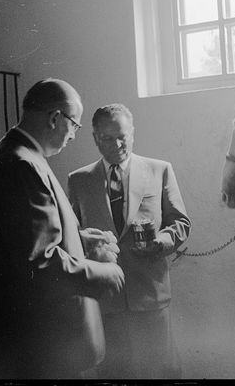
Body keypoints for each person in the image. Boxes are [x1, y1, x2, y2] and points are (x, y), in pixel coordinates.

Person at [0, 78, 125, 379]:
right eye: (75, 125)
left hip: (44, 342)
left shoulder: (15, 154)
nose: (73, 135)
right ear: (56, 118)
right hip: (45, 348)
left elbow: (24, 239)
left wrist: (80, 241)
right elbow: (40, 264)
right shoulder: (21, 164)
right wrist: (104, 274)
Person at [68, 103, 191, 379]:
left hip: (150, 295)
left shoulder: (160, 170)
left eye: (123, 136)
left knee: (162, 371)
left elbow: (181, 223)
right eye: (108, 139)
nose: (118, 144)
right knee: (113, 372)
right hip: (104, 299)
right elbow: (71, 237)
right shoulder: (78, 180)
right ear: (95, 138)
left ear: (132, 133)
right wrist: (89, 246)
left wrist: (159, 243)